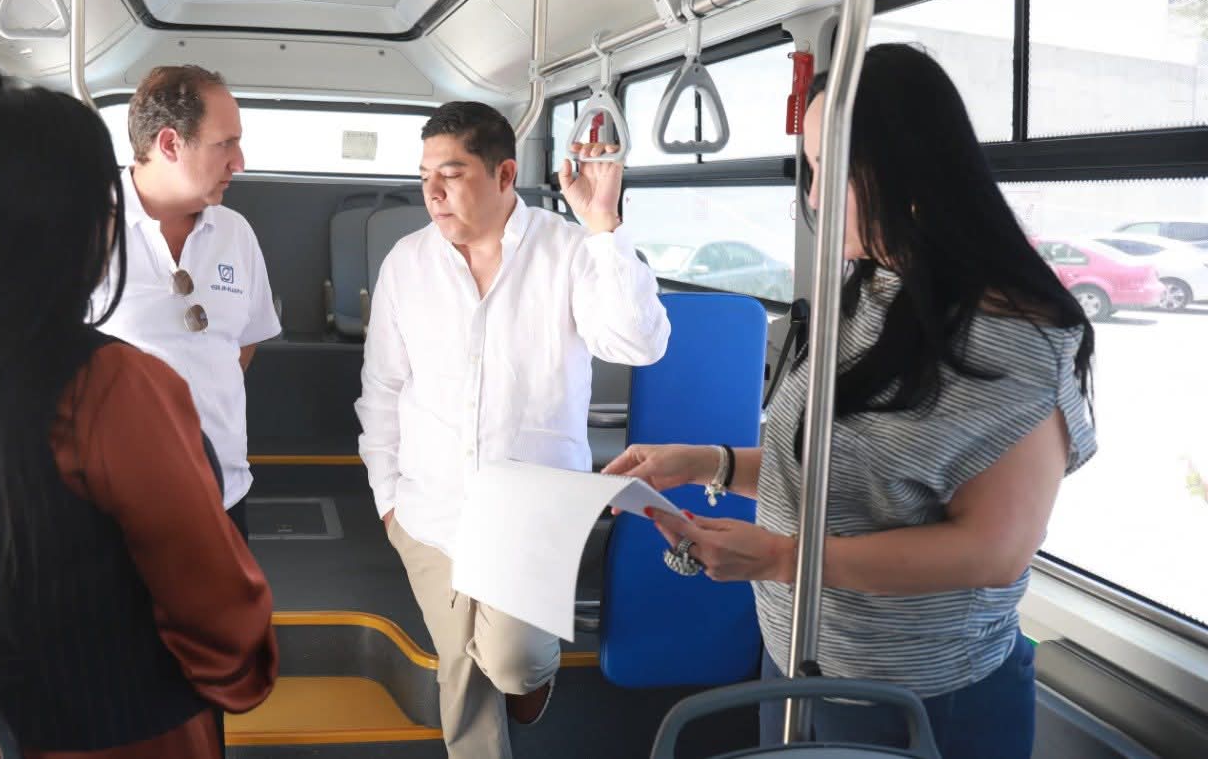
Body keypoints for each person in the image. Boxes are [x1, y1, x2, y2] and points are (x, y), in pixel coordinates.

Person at [605, 43, 1096, 759]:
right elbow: (837, 469)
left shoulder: (1017, 337)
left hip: (919, 697)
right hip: (799, 656)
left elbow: (991, 550)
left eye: (829, 171)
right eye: (808, 170)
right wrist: (709, 464)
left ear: (909, 172)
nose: (813, 198)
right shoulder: (868, 287)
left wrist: (785, 559)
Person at [0, 87, 277, 758]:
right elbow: (219, 618)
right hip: (115, 734)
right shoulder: (115, 386)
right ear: (85, 223)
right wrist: (235, 678)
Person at [356, 101, 670, 758]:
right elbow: (383, 388)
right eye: (425, 178)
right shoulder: (405, 262)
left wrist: (604, 224)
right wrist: (388, 500)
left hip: (530, 512)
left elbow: (639, 344)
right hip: (428, 510)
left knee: (513, 662)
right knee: (461, 676)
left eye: (451, 175)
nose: (433, 194)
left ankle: (531, 678)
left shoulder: (570, 249)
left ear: (504, 174)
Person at [94, 65, 281, 538]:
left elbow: (243, 344)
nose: (239, 162)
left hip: (224, 494)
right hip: (114, 505)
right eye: (225, 144)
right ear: (170, 144)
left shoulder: (236, 232)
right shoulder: (84, 228)